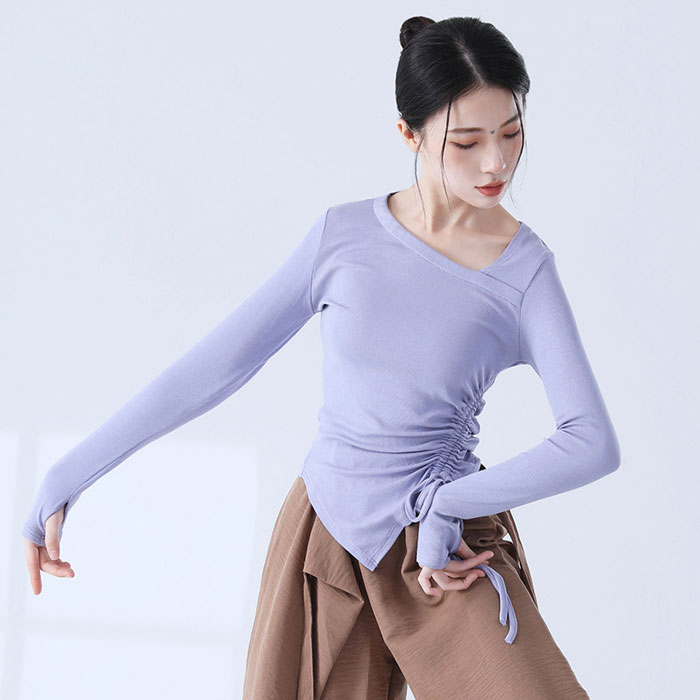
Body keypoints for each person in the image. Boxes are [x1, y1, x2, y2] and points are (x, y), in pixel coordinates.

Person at [22, 14, 620, 699]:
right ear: (409, 133)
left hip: (448, 547)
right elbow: (216, 366)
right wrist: (68, 473)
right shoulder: (343, 238)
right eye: (467, 141)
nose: (496, 163)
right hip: (326, 535)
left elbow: (591, 441)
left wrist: (450, 503)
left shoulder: (525, 269)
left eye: (511, 133)